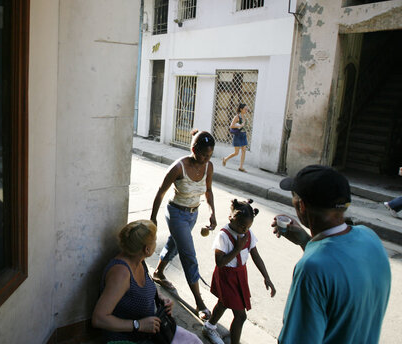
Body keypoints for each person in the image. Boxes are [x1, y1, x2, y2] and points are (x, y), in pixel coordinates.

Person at [273, 165, 391, 344]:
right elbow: (339, 265)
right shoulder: (370, 238)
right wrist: (306, 241)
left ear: (302, 206)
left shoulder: (311, 269)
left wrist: (309, 245)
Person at [92, 220, 202, 344]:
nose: (156, 242)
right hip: (126, 340)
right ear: (147, 249)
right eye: (154, 240)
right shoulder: (121, 274)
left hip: (148, 334)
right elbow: (98, 319)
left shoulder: (139, 260)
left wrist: (160, 297)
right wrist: (138, 325)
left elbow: (143, 288)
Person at [149, 130, 217, 321]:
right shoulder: (179, 168)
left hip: (193, 214)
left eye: (209, 155)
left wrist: (212, 212)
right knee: (189, 256)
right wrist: (153, 218)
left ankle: (159, 272)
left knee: (175, 244)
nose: (205, 159)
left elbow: (209, 191)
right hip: (176, 213)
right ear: (193, 149)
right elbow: (161, 192)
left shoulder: (208, 167)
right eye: (203, 154)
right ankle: (199, 303)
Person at [202, 199, 275, 344]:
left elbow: (255, 255)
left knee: (224, 302)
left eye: (248, 227)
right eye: (242, 226)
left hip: (240, 274)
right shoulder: (223, 236)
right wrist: (237, 248)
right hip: (227, 276)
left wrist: (266, 277)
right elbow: (220, 262)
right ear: (231, 218)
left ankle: (209, 326)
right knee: (241, 316)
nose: (244, 230)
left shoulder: (247, 234)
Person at [222, 104, 248, 172]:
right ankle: (225, 159)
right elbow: (231, 126)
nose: (246, 110)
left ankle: (241, 167)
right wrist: (240, 125)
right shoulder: (237, 117)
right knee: (236, 153)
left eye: (247, 109)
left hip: (243, 135)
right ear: (241, 109)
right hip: (238, 135)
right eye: (245, 109)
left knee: (244, 151)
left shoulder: (244, 117)